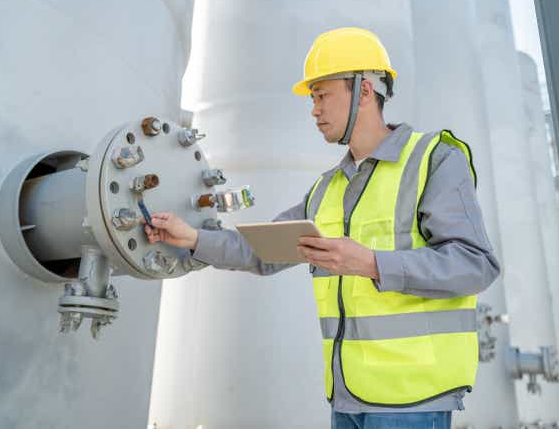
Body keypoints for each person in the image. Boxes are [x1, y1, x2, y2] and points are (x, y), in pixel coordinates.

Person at [143, 27, 500, 429]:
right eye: (312, 98)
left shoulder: (433, 159)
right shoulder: (327, 188)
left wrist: (371, 263)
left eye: (323, 95)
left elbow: (476, 265)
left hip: (413, 402)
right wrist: (191, 238)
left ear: (365, 91)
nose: (314, 109)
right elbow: (261, 250)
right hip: (347, 398)